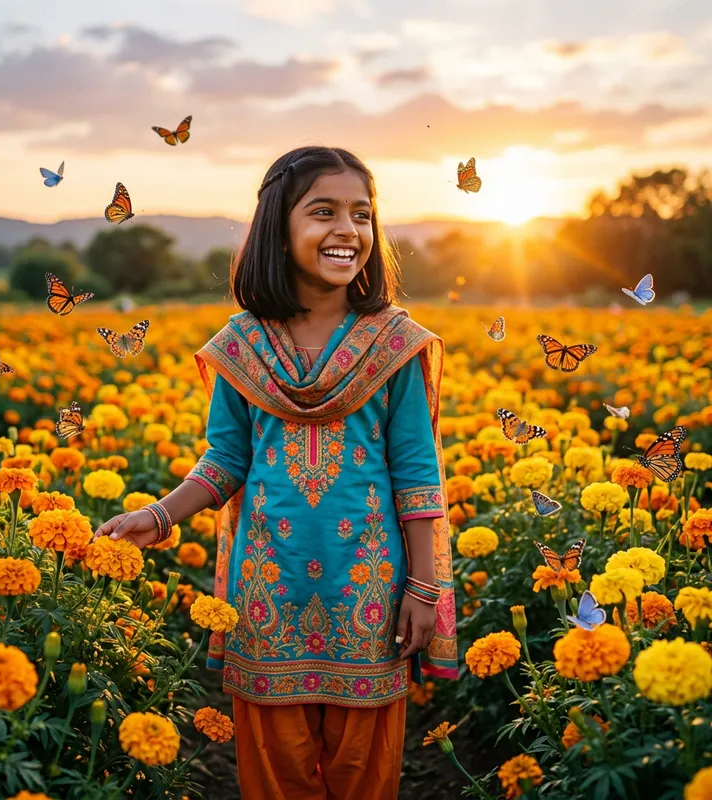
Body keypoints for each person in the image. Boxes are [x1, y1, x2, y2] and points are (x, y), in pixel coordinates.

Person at [93, 146, 457, 799]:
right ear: (278, 232)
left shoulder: (393, 343)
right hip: (267, 594)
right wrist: (158, 515)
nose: (348, 230)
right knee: (276, 768)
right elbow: (226, 459)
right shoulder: (243, 346)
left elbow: (417, 475)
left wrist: (425, 589)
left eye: (362, 214)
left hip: (369, 593)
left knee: (361, 769)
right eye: (324, 212)